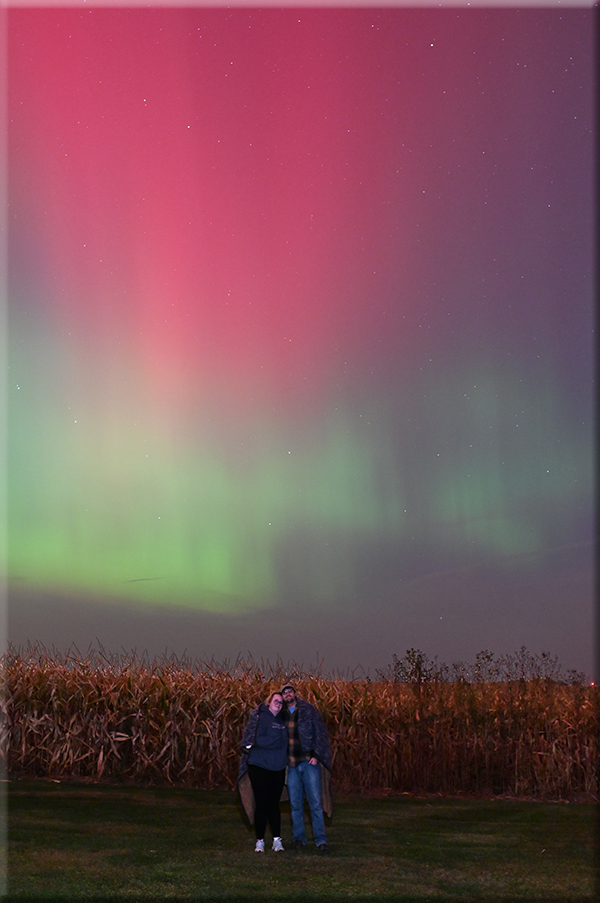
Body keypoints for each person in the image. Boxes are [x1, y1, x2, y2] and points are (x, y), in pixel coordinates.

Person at [280, 683, 333, 851]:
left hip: (309, 763)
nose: (288, 694)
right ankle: (298, 839)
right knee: (295, 805)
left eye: (290, 691)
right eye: (284, 692)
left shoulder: (308, 709)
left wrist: (317, 755)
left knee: (315, 803)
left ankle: (321, 840)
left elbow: (320, 732)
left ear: (295, 693)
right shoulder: (281, 714)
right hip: (292, 765)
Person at [237, 691, 288, 852]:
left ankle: (277, 840)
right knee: (261, 804)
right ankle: (259, 841)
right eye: (276, 701)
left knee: (274, 805)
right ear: (268, 702)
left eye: (281, 702)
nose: (278, 704)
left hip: (278, 768)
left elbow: (287, 742)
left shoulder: (283, 720)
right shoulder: (259, 717)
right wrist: (276, 740)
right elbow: (256, 739)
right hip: (259, 767)